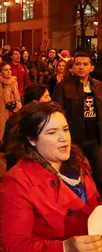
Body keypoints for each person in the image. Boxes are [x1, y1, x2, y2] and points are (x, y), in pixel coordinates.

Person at [0, 102, 102, 252]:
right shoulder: (18, 181)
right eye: (52, 132)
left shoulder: (79, 162)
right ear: (32, 139)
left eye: (65, 129)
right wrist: (64, 247)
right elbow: (14, 246)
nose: (63, 138)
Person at [54, 52, 102, 193]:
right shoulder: (62, 86)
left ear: (92, 68)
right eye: (78, 64)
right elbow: (58, 112)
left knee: (99, 175)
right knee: (74, 176)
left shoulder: (98, 86)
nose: (81, 67)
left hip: (95, 139)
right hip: (74, 139)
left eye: (85, 64)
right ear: (73, 66)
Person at [3, 83, 52, 171]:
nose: (50, 99)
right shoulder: (34, 118)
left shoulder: (18, 115)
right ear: (35, 101)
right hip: (26, 165)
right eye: (46, 96)